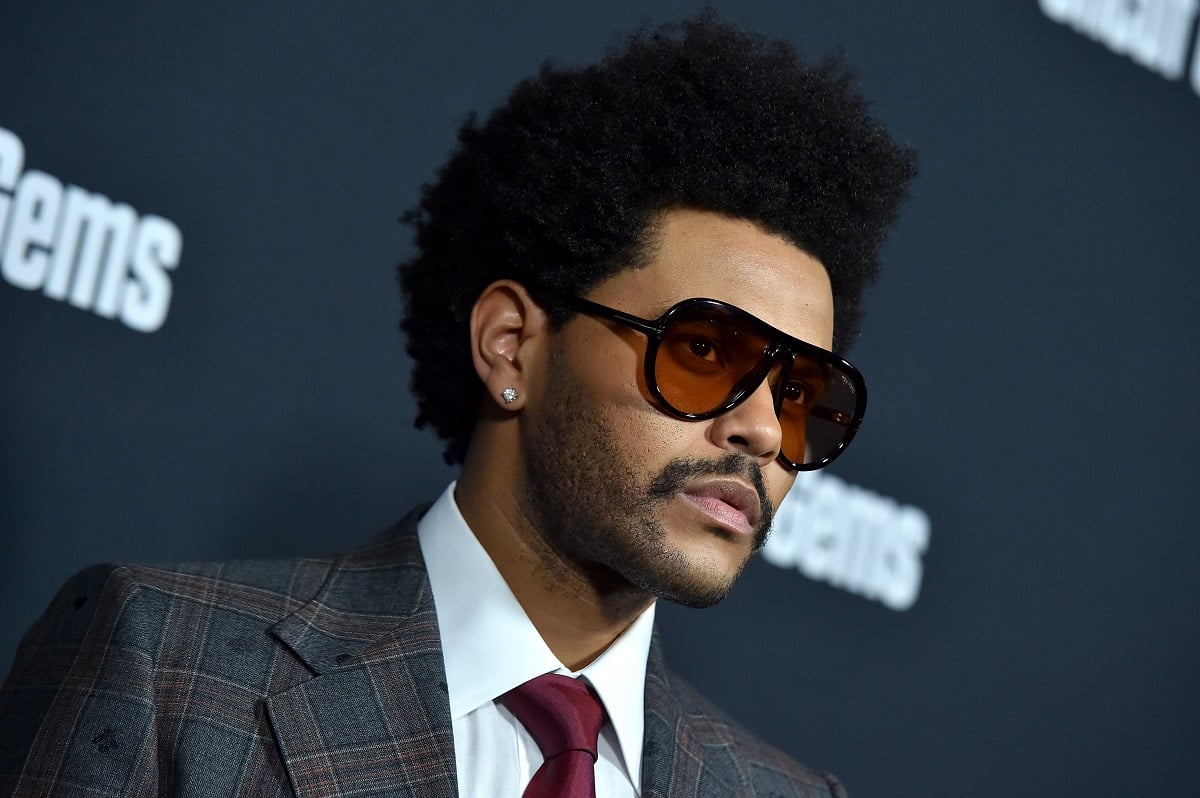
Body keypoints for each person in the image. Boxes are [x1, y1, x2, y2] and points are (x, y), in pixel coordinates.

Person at [0, 13, 915, 797]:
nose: (761, 430)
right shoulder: (164, 665)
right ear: (512, 344)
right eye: (705, 351)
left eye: (802, 395)